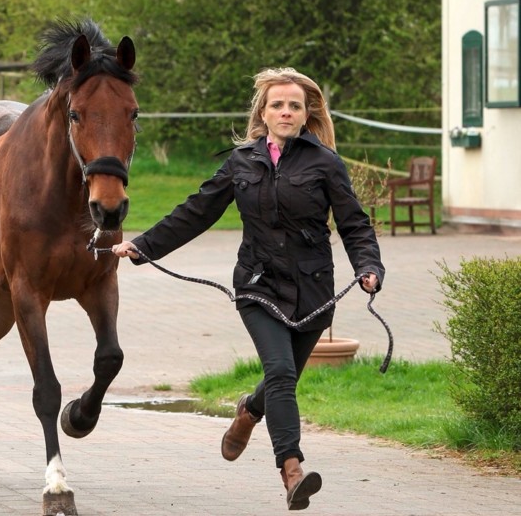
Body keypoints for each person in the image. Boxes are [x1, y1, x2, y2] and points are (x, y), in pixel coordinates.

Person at [112, 67, 383, 511]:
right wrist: (143, 245)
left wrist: (369, 267)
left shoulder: (326, 164)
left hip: (314, 291)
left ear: (305, 113)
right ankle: (292, 471)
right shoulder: (242, 162)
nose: (285, 111)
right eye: (277, 104)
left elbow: (355, 225)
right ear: (263, 111)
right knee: (280, 372)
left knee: (283, 377)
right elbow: (196, 212)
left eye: (294, 105)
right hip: (259, 285)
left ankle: (249, 411)